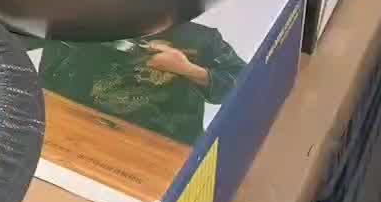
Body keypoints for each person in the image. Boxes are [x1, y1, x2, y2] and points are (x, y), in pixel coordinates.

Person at [35, 21, 245, 147]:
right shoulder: (88, 20)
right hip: (83, 134)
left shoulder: (202, 38)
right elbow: (46, 86)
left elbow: (242, 89)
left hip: (164, 145)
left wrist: (186, 69)